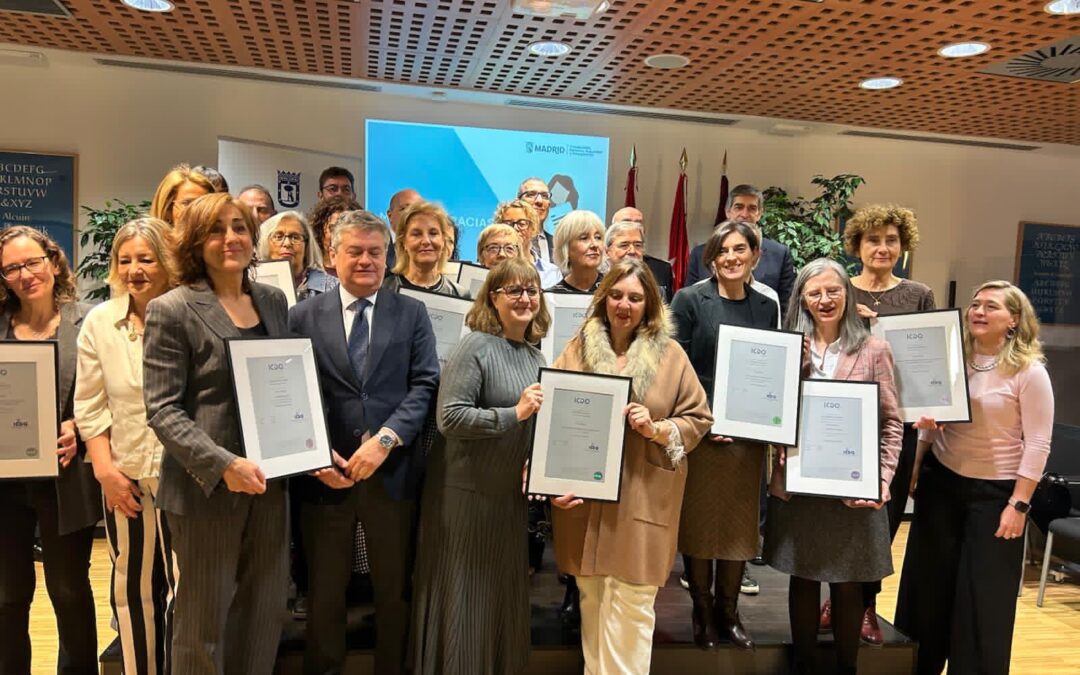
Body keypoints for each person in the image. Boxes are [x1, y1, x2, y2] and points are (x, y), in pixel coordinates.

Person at [143, 192, 291, 674]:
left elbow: (284, 384)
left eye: (240, 227)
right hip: (205, 490)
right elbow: (163, 410)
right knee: (202, 624)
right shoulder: (172, 308)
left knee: (263, 614)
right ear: (195, 242)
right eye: (217, 229)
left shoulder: (272, 299)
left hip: (270, 485)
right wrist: (224, 465)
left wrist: (306, 444)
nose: (231, 238)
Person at [289, 209, 439, 675]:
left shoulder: (411, 312)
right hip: (324, 477)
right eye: (354, 251)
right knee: (325, 593)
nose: (365, 261)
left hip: (392, 474)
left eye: (375, 252)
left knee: (393, 593)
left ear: (388, 255)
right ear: (332, 256)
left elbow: (424, 384)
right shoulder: (301, 315)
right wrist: (313, 454)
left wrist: (387, 440)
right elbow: (291, 390)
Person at [552, 258, 712, 673]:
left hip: (643, 499)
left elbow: (698, 419)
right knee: (593, 604)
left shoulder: (672, 355)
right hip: (587, 503)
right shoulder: (576, 348)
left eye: (636, 298)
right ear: (604, 299)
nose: (624, 305)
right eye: (617, 295)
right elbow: (557, 416)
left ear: (650, 305)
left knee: (632, 609)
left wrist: (657, 428)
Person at [895, 281, 1053, 675]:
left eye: (991, 307)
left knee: (983, 599)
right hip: (942, 483)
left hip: (996, 495)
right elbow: (934, 418)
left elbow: (1037, 444)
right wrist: (918, 461)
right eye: (975, 304)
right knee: (927, 592)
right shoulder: (953, 359)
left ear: (1014, 321)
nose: (979, 311)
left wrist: (1019, 504)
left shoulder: (1029, 373)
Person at [410, 257, 553, 675]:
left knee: (496, 597)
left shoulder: (534, 355)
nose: (525, 298)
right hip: (464, 496)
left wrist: (534, 461)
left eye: (531, 290)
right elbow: (449, 418)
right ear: (493, 297)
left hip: (506, 496)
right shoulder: (474, 345)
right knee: (463, 600)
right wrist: (514, 414)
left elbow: (533, 427)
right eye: (514, 290)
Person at [764, 258, 902, 675]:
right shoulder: (788, 346)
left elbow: (892, 421)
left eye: (833, 291)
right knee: (802, 578)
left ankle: (847, 668)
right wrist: (799, 364)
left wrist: (880, 480)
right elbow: (774, 410)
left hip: (853, 485)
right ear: (802, 299)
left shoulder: (874, 348)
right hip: (801, 483)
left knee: (849, 583)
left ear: (848, 293)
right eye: (814, 293)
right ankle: (803, 663)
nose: (824, 300)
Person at [822, 204, 934, 643]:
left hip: (896, 421)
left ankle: (866, 604)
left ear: (903, 245)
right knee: (837, 517)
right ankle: (835, 596)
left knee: (883, 518)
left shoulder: (919, 294)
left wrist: (932, 409)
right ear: (857, 246)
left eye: (891, 240)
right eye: (873, 240)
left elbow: (928, 358)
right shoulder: (838, 290)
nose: (882, 248)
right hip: (841, 421)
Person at [670, 222, 779, 650]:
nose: (731, 257)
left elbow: (767, 368)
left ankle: (728, 612)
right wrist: (708, 417)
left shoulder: (765, 306)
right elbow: (677, 365)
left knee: (737, 527)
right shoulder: (690, 299)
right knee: (700, 526)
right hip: (702, 429)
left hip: (746, 438)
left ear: (754, 254)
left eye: (740, 249)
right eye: (722, 251)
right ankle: (701, 611)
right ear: (711, 258)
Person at [74, 218, 176, 675]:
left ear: (167, 261)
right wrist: (106, 473)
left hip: (183, 477)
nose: (135, 269)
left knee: (183, 587)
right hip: (125, 476)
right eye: (125, 259)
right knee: (133, 589)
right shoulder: (99, 321)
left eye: (146, 258)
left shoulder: (187, 312)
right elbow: (90, 406)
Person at [0, 226, 101, 675]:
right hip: (5, 486)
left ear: (54, 262)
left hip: (67, 479)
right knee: (7, 594)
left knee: (69, 591)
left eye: (32, 262)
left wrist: (80, 425)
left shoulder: (90, 322)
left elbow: (114, 393)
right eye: (11, 268)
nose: (25, 275)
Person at [685, 184, 796, 314]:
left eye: (752, 208)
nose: (744, 214)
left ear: (760, 213)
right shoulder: (701, 253)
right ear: (728, 212)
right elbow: (690, 304)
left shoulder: (779, 254)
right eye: (739, 207)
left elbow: (786, 307)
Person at [383, 201, 467, 297]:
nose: (426, 241)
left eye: (433, 233)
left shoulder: (459, 294)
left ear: (443, 240)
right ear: (403, 242)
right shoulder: (384, 289)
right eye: (416, 234)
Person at [257, 210, 337, 300]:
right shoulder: (252, 284)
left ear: (306, 245)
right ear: (265, 243)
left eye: (295, 237)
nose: (287, 243)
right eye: (278, 237)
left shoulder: (333, 287)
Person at [609, 206, 674, 301]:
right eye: (627, 222)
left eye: (638, 223)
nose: (634, 226)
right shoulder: (597, 272)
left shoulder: (661, 269)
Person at [493, 199, 562, 287]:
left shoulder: (551, 272)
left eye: (522, 224)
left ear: (533, 229)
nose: (515, 228)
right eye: (508, 224)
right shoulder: (491, 267)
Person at [549, 209, 606, 294]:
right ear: (566, 247)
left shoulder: (615, 290)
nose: (594, 245)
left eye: (598, 237)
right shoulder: (553, 296)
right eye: (584, 238)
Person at [309, 195, 363, 274]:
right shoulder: (307, 275)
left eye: (346, 230)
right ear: (319, 230)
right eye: (333, 228)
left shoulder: (364, 273)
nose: (338, 236)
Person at [149, 163, 216, 226]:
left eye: (204, 204)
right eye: (188, 203)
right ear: (167, 209)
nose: (198, 211)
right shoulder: (145, 237)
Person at [517, 177, 554, 261]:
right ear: (518, 202)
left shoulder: (559, 245)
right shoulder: (504, 241)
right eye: (531, 194)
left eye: (545, 196)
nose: (539, 201)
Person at [385, 188, 422, 272]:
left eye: (417, 210)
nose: (411, 214)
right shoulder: (379, 244)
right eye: (404, 209)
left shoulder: (428, 247)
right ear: (390, 215)